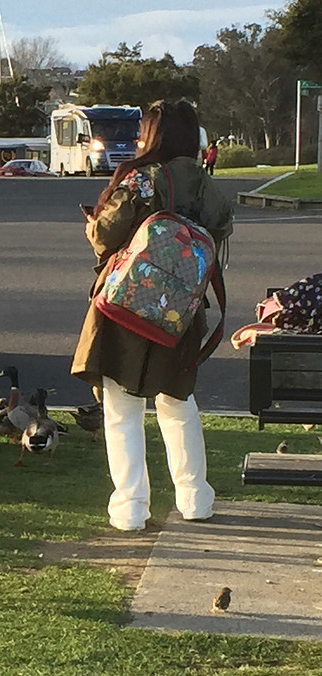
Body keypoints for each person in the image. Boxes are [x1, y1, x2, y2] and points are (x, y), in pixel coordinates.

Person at [71, 99, 234, 533]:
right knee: (177, 402)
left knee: (122, 408)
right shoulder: (210, 188)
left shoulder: (142, 181)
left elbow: (105, 235)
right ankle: (195, 497)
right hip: (182, 313)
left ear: (154, 136)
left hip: (128, 307)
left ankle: (130, 508)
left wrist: (92, 225)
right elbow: (216, 248)